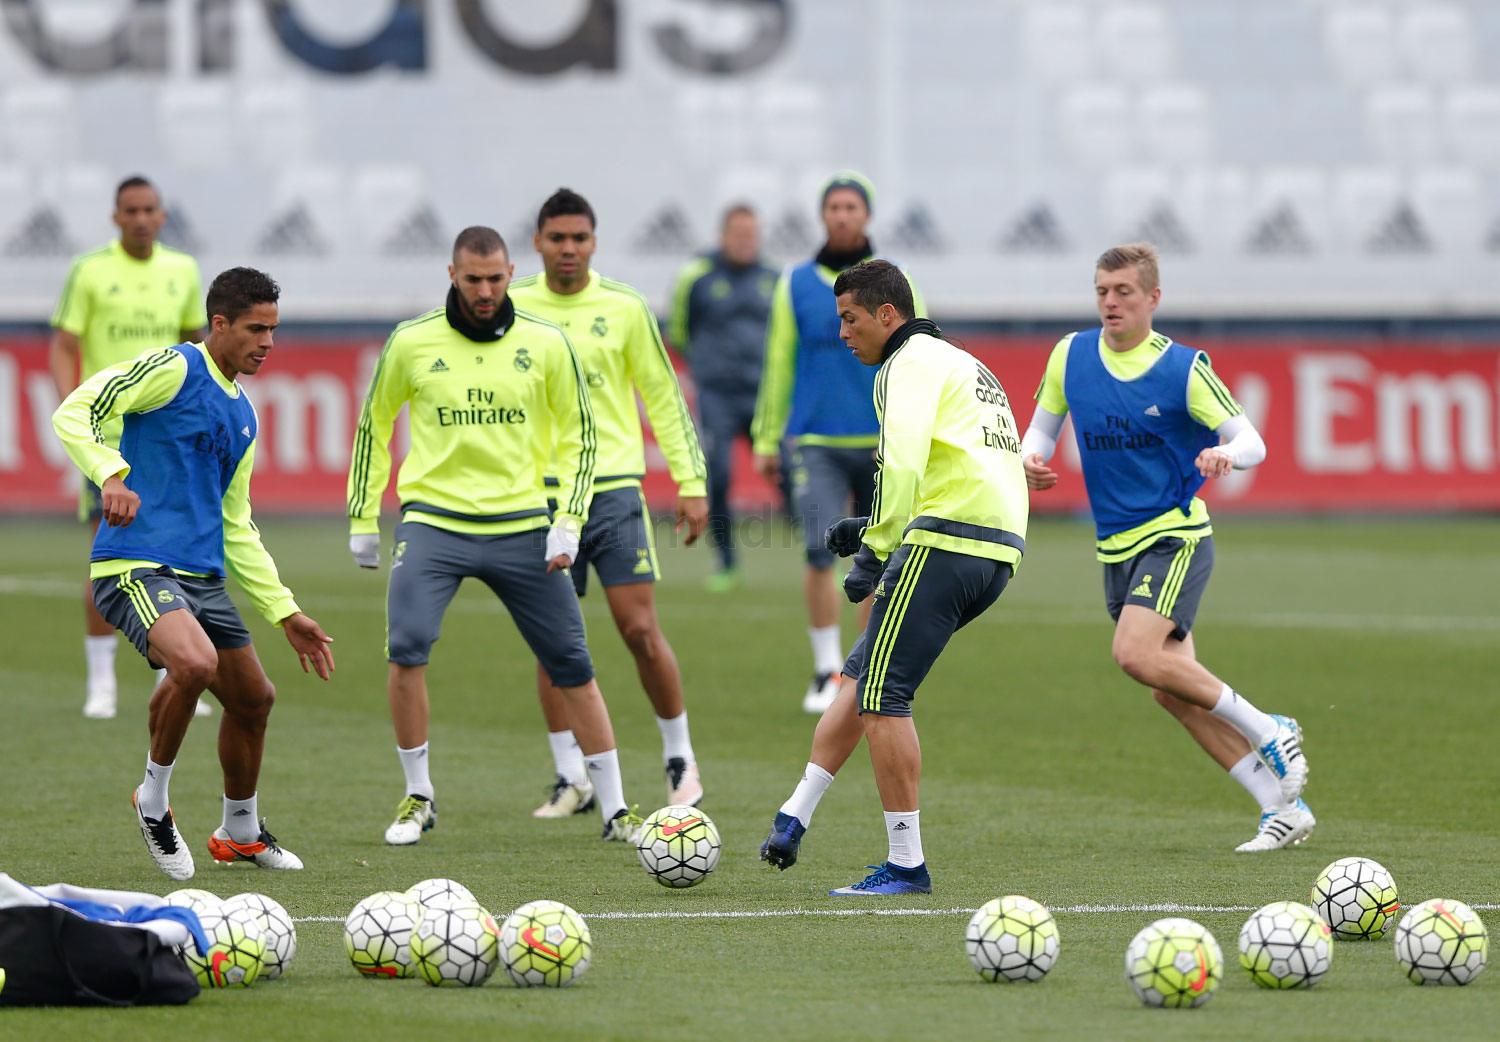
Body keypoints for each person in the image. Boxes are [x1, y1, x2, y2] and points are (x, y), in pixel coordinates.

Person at [347, 225, 645, 844]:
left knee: (572, 662)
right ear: (452, 275)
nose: (484, 291)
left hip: (522, 525)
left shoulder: (546, 342)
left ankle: (617, 810)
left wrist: (568, 520)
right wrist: (362, 517)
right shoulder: (411, 341)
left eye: (494, 278)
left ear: (511, 273)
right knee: (406, 647)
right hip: (434, 522)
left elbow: (581, 436)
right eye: (472, 279)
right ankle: (418, 797)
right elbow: (374, 423)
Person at [1019, 243, 1311, 853]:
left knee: (1133, 653)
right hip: (1115, 547)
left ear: (1153, 298)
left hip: (1174, 537)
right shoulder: (1070, 355)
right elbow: (1040, 430)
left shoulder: (1183, 369)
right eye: (1102, 291)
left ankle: (1270, 727)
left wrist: (1225, 453)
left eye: (1123, 291)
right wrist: (1030, 460)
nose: (1110, 302)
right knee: (1171, 690)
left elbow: (1252, 440)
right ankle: (1281, 808)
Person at [51, 266, 335, 881]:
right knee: (196, 664)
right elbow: (75, 410)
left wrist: (285, 611)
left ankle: (240, 832)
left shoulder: (245, 416)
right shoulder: (174, 367)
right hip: (136, 564)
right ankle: (153, 798)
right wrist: (110, 474)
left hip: (202, 578)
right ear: (219, 324)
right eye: (255, 329)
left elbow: (237, 524)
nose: (267, 342)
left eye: (273, 330)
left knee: (255, 699)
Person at [758, 259, 1028, 895]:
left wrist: (874, 552)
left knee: (884, 698)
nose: (842, 334)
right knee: (860, 677)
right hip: (995, 546)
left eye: (850, 319)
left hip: (944, 540)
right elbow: (959, 462)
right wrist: (873, 525)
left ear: (887, 315)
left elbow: (900, 461)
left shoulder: (903, 365)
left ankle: (906, 864)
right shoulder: (963, 364)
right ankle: (794, 816)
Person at [510, 189, 711, 818]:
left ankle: (679, 756)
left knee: (640, 629)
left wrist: (691, 481)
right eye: (557, 238)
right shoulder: (512, 308)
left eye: (579, 238)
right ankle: (571, 775)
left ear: (594, 243)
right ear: (538, 243)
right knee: (554, 641)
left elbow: (663, 397)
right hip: (542, 494)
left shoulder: (624, 307)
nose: (568, 249)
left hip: (614, 488)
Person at [750, 172, 924, 714]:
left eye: (852, 206)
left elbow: (920, 354)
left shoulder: (896, 282)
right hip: (816, 440)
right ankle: (826, 668)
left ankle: (863, 667)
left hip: (883, 440)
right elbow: (779, 360)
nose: (843, 215)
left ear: (867, 215)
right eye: (834, 207)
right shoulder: (795, 282)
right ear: (822, 215)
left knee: (883, 553)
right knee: (819, 548)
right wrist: (766, 435)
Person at [49, 175, 210, 720]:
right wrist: (75, 409)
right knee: (108, 555)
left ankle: (174, 672)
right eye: (131, 210)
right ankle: (102, 683)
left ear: (162, 216)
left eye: (149, 210)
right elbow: (65, 344)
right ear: (116, 217)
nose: (141, 218)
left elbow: (195, 347)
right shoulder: (90, 271)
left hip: (165, 437)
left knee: (173, 551)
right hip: (109, 441)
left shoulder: (182, 270)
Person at [668, 204, 778, 592]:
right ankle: (727, 563)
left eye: (752, 235)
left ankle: (819, 557)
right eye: (738, 234)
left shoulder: (774, 279)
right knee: (718, 473)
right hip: (717, 395)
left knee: (788, 474)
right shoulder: (697, 276)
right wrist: (706, 368)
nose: (746, 242)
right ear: (723, 236)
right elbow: (679, 331)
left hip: (763, 396)